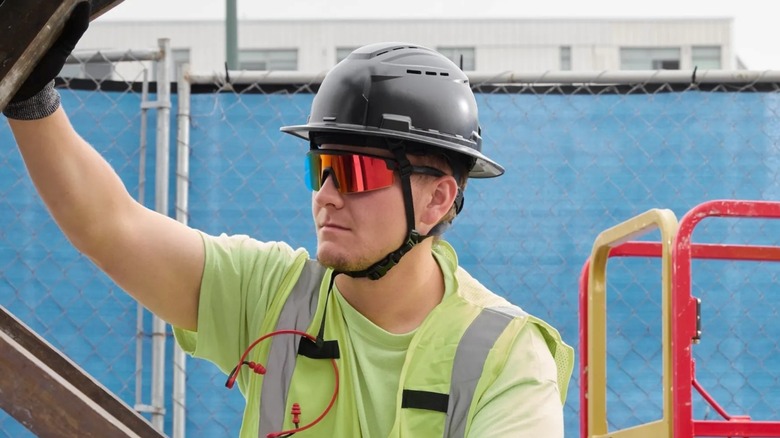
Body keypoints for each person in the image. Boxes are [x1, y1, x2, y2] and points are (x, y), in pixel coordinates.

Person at [4, 5, 574, 438]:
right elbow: (110, 227)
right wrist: (29, 94)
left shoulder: (505, 355)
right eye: (321, 167)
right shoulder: (274, 295)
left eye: (353, 171)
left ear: (437, 199)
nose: (326, 195)